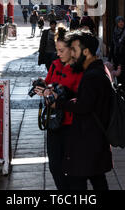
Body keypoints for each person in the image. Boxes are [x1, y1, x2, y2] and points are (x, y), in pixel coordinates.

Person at [55, 30, 113, 190]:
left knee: (78, 181)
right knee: (97, 178)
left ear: (86, 51)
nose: (71, 54)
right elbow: (87, 101)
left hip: (88, 140)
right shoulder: (97, 70)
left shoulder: (93, 76)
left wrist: (60, 103)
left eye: (74, 49)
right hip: (94, 139)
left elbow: (83, 106)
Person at [34, 26, 83, 190]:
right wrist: (42, 87)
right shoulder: (55, 64)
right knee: (55, 166)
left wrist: (61, 94)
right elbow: (48, 82)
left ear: (72, 50)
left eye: (62, 50)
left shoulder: (79, 69)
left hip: (71, 124)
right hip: (54, 121)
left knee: (73, 167)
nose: (58, 53)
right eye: (57, 50)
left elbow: (82, 96)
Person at [108, 16, 125, 102]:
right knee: (118, 77)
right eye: (119, 22)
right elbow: (112, 45)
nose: (121, 23)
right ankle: (120, 95)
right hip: (116, 58)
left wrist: (122, 60)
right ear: (117, 23)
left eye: (122, 21)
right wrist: (110, 58)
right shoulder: (115, 32)